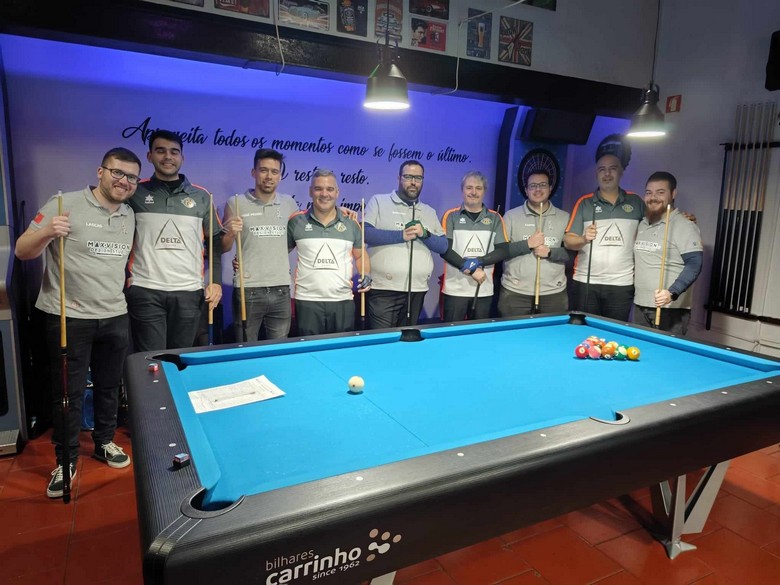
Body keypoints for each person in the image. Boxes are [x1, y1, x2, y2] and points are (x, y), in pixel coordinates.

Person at [15, 147, 139, 498]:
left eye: (131, 177)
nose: (124, 181)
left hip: (114, 314)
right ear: (100, 171)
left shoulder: (129, 214)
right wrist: (47, 232)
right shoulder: (62, 203)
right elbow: (22, 250)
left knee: (109, 386)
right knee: (67, 394)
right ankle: (66, 460)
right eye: (117, 172)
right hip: (69, 316)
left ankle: (104, 441)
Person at [126, 129, 223, 351]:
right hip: (145, 289)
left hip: (189, 291)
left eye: (174, 152)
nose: (168, 157)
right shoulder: (135, 193)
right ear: (149, 156)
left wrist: (215, 281)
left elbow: (215, 243)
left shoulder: (201, 196)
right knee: (152, 360)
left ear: (182, 157)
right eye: (160, 151)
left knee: (179, 358)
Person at [564, 134, 644, 321]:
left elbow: (656, 226)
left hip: (622, 284)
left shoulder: (636, 202)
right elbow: (568, 241)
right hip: (586, 283)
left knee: (614, 333)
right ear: (596, 174)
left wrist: (681, 217)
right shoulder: (585, 203)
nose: (607, 174)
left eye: (612, 169)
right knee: (583, 332)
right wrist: (583, 238)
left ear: (621, 171)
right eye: (602, 170)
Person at [221, 149, 298, 342]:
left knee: (278, 350)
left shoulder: (289, 204)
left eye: (274, 171)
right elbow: (223, 247)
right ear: (253, 172)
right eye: (263, 170)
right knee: (246, 348)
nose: (269, 176)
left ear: (280, 176)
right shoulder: (235, 203)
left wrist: (270, 252)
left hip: (281, 289)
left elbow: (295, 239)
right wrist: (230, 233)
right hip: (248, 289)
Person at [364, 160, 448, 329]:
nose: (413, 182)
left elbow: (443, 246)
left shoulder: (429, 211)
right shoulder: (379, 201)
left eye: (418, 178)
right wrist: (401, 235)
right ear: (399, 178)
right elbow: (365, 234)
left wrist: (425, 234)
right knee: (383, 340)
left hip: (416, 289)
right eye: (408, 177)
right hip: (383, 289)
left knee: (407, 340)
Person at [287, 169, 371, 336]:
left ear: (337, 192)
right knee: (310, 350)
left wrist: (366, 273)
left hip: (343, 301)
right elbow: (280, 253)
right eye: (318, 189)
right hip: (307, 301)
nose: (324, 194)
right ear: (310, 191)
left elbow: (361, 255)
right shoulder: (296, 221)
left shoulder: (351, 223)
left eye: (330, 189)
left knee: (341, 350)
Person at [633, 172, 703, 334]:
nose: (653, 197)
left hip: (669, 308)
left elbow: (695, 263)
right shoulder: (643, 224)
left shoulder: (685, 225)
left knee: (664, 351)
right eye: (649, 192)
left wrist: (672, 292)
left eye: (660, 192)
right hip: (640, 305)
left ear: (673, 194)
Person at [499, 170, 571, 316]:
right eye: (532, 186)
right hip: (515, 292)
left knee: (552, 331)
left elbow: (572, 254)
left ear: (550, 188)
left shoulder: (564, 217)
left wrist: (550, 252)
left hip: (553, 293)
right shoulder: (511, 216)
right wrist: (527, 244)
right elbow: (500, 251)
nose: (538, 189)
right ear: (526, 190)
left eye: (542, 185)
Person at [440, 171, 508, 321]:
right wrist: (472, 269)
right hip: (455, 290)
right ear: (462, 190)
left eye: (478, 188)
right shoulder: (450, 216)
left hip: (483, 289)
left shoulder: (495, 218)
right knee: (452, 334)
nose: (473, 192)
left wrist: (477, 262)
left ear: (484, 191)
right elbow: (445, 250)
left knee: (479, 334)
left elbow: (503, 250)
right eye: (469, 187)